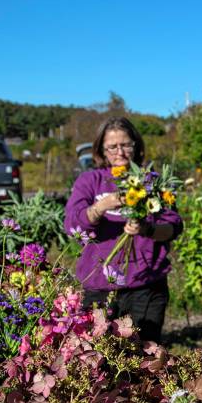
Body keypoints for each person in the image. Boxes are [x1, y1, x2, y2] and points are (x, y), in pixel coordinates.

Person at [64, 117, 183, 344]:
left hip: (146, 285)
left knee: (144, 357)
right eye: (112, 146)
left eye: (126, 145)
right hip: (99, 285)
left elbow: (173, 227)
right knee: (97, 358)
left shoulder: (152, 183)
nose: (120, 152)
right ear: (101, 149)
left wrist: (147, 229)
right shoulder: (90, 181)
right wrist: (101, 207)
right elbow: (72, 226)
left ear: (136, 146)